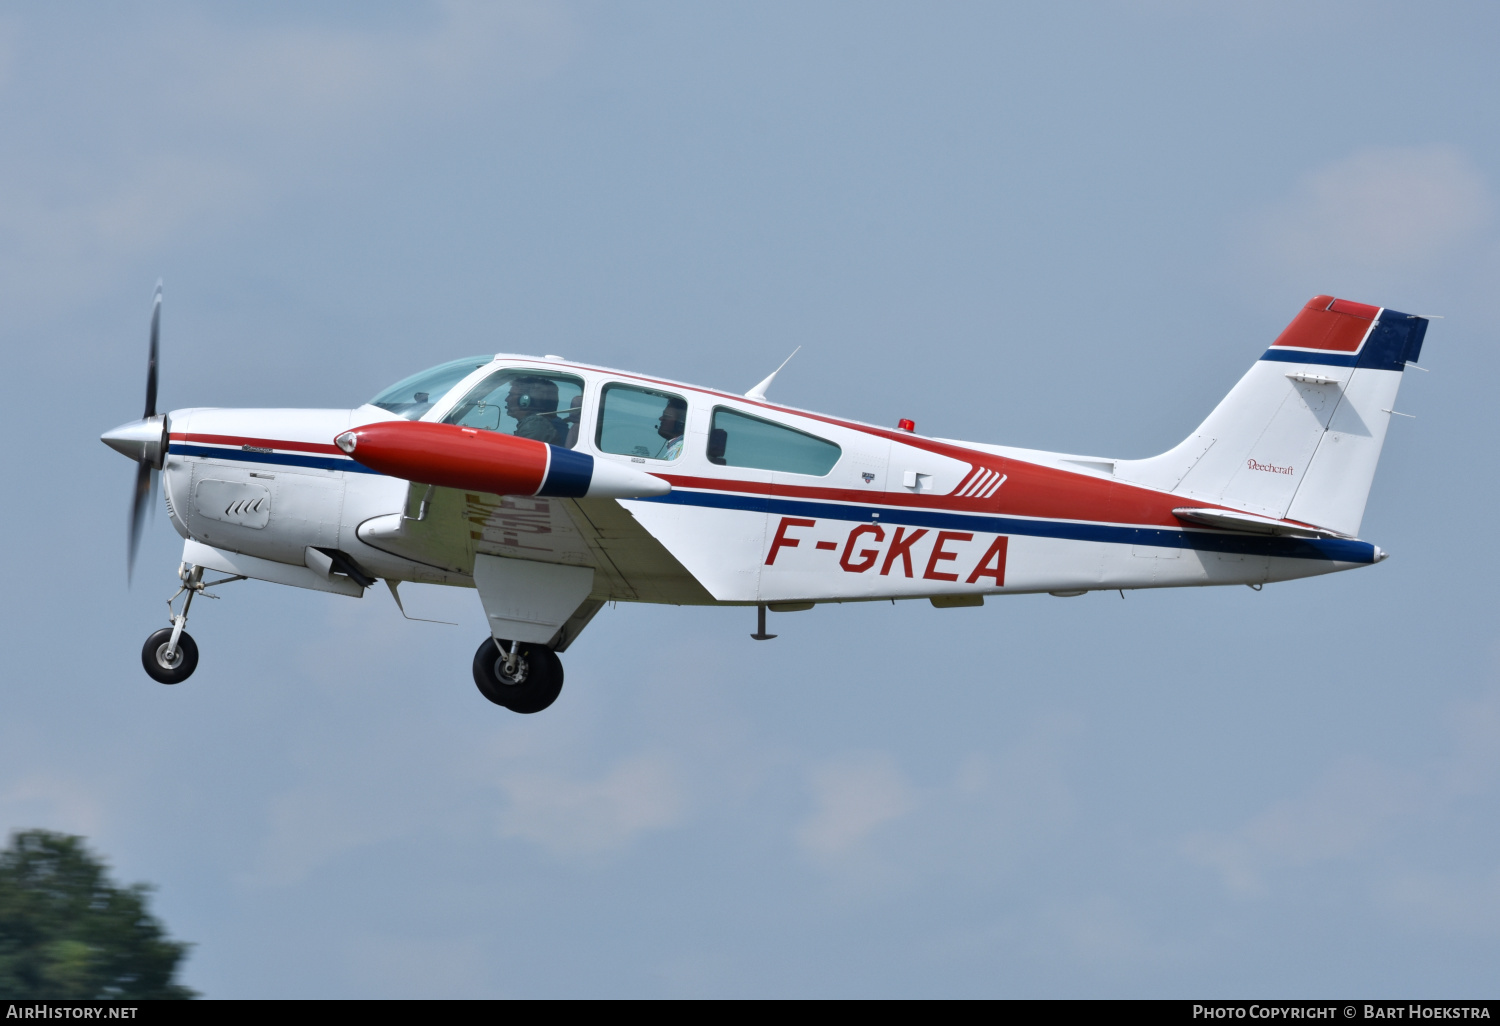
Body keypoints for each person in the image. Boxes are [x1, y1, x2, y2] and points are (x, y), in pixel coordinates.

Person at [504, 377, 562, 445]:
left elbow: (521, 453)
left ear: (524, 400)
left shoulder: (534, 425)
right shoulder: (534, 423)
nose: (506, 399)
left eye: (511, 395)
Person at [656, 395, 687, 460]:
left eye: (666, 416)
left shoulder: (679, 450)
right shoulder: (678, 447)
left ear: (680, 423)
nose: (661, 418)